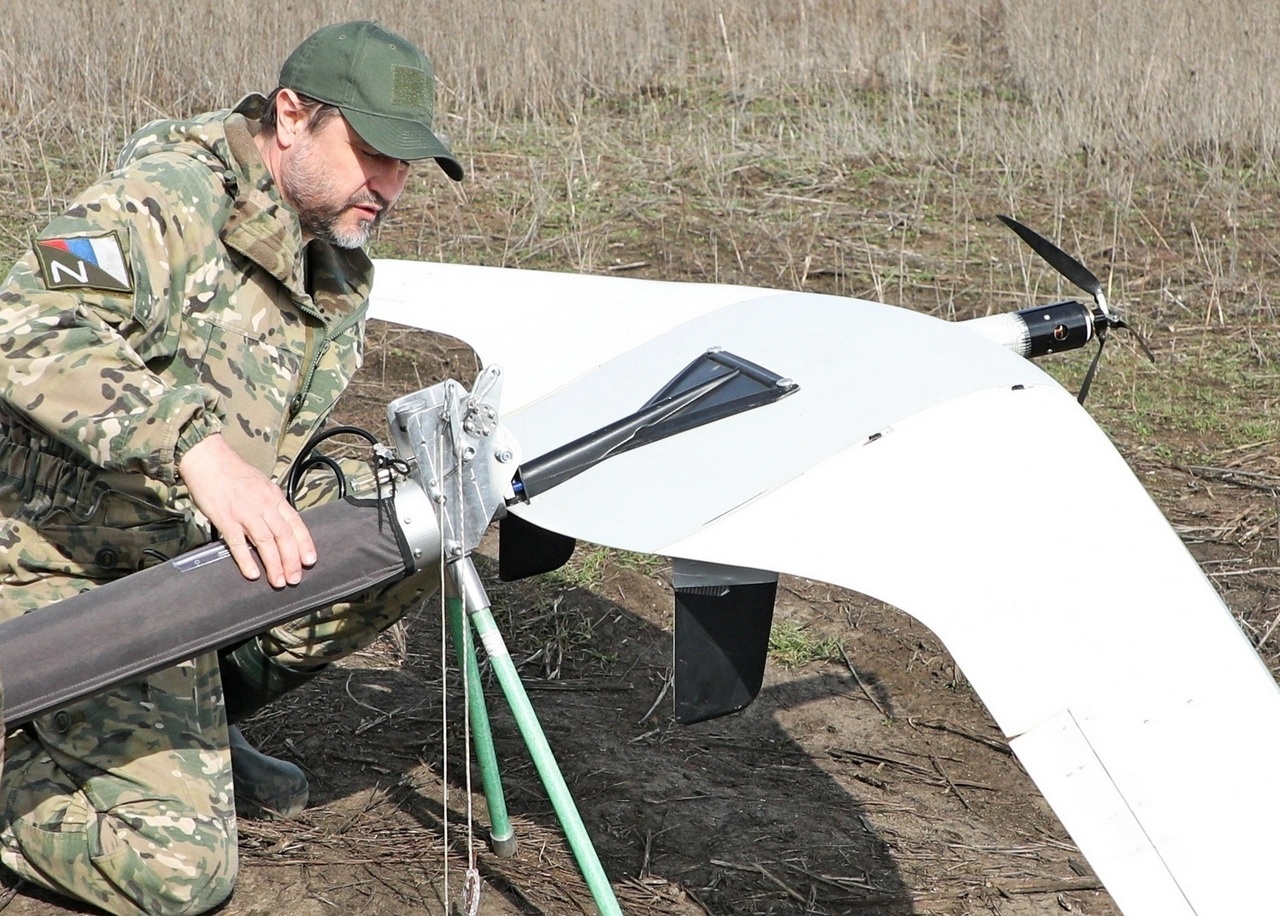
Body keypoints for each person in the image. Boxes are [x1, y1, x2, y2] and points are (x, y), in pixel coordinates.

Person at [0, 21, 461, 915]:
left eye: (407, 165)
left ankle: (193, 719)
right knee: (180, 873)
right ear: (291, 117)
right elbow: (23, 320)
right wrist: (193, 449)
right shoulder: (164, 197)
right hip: (61, 568)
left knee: (407, 527)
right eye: (372, 153)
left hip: (176, 558)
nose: (390, 186)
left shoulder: (329, 247)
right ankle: (51, 751)